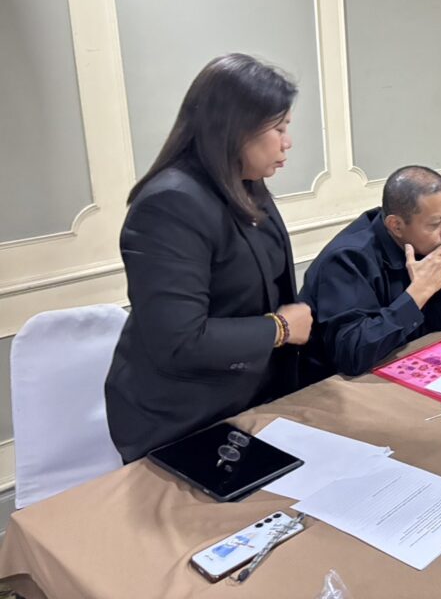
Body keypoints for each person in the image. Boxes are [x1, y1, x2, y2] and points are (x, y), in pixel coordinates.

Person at [105, 54, 316, 463]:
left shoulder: (247, 184)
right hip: (182, 418)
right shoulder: (170, 203)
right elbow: (179, 341)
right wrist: (280, 328)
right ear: (235, 129)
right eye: (279, 128)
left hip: (253, 398)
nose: (287, 142)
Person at [300, 166, 441, 375]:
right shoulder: (348, 259)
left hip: (403, 361)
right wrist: (417, 295)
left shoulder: (430, 242)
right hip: (332, 381)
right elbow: (352, 353)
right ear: (396, 225)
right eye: (436, 223)